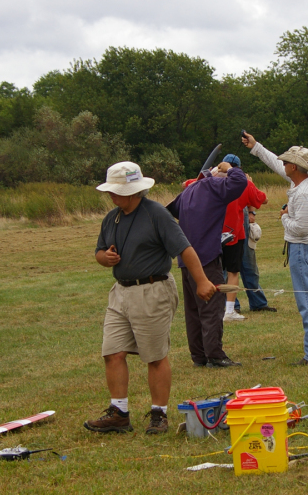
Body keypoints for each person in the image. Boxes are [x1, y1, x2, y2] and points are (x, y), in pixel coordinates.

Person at [85, 162, 216, 435]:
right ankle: (119, 413)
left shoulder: (157, 214)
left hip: (153, 291)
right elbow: (99, 252)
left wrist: (202, 281)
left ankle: (159, 415)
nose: (111, 195)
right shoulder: (112, 218)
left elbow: (185, 249)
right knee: (112, 352)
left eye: (117, 191)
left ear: (134, 191)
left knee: (154, 356)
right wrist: (104, 258)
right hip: (120, 292)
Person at [242, 132, 308, 365]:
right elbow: (275, 162)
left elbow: (300, 229)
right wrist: (256, 146)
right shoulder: (304, 180)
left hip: (303, 250)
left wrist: (284, 217)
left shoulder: (304, 192)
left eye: (287, 162)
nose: (282, 164)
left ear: (295, 167)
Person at [167, 160, 247, 368]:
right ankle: (215, 355)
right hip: (206, 256)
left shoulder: (190, 189)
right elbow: (239, 182)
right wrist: (229, 168)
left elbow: (172, 210)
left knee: (193, 310)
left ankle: (199, 356)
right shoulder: (214, 185)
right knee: (211, 308)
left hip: (186, 257)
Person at [216, 154, 267, 322]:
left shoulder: (213, 180)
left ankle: (233, 305)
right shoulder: (244, 183)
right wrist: (249, 182)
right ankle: (236, 306)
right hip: (234, 229)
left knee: (224, 269)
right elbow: (262, 198)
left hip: (218, 228)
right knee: (237, 268)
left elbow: (186, 184)